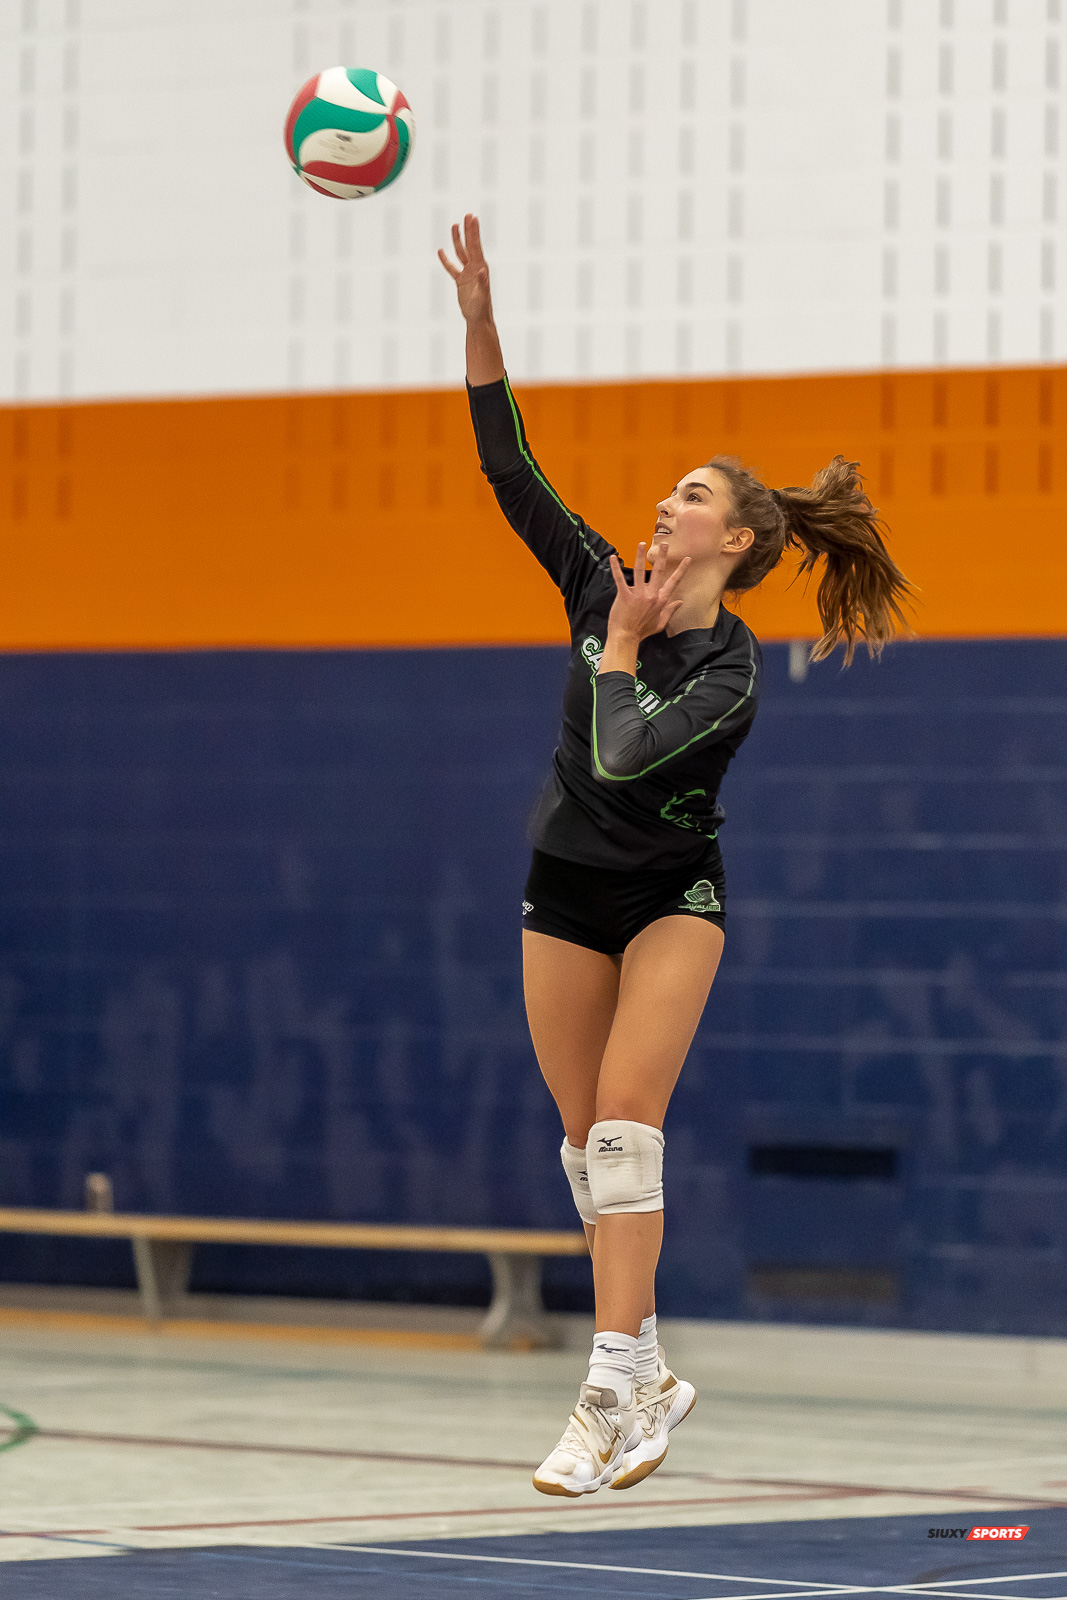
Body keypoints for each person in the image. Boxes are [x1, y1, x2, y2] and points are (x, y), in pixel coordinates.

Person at [439, 214, 911, 1498]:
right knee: (577, 1141)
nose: (661, 505)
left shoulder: (729, 665)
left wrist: (616, 650)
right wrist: (481, 321)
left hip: (668, 897)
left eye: (688, 498)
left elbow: (626, 752)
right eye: (664, 494)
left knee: (623, 1134)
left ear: (738, 543)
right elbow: (506, 465)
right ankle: (644, 1369)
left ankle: (605, 1389)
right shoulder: (598, 578)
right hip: (563, 888)